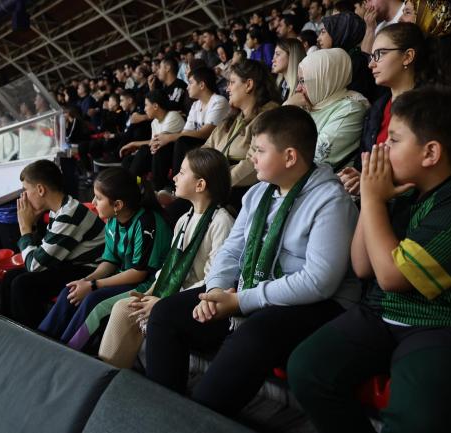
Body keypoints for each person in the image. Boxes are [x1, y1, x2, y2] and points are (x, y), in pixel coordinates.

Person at [287, 85, 451, 433]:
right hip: (383, 314)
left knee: (414, 420)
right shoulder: (402, 191)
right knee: (307, 368)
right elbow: (363, 266)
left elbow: (392, 276)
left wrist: (373, 199)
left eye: (393, 140)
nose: (381, 148)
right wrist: (374, 199)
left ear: (431, 153)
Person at [145, 105, 360, 416]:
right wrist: (215, 291)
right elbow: (231, 251)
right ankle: (160, 413)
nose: (251, 157)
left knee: (254, 334)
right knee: (166, 314)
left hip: (317, 304)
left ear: (289, 157)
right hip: (254, 288)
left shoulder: (331, 201)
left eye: (259, 150)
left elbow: (318, 282)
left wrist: (241, 301)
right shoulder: (257, 193)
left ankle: (197, 420)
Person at [89, 149, 235, 363]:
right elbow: (169, 266)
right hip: (175, 295)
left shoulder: (221, 222)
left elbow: (212, 282)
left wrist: (163, 302)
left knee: (130, 310)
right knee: (124, 306)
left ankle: (114, 372)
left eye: (182, 172)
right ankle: (110, 371)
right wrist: (149, 293)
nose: (174, 177)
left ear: (200, 185)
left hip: (198, 302)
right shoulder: (184, 219)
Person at [38, 167, 172, 346]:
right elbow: (110, 261)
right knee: (70, 291)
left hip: (147, 286)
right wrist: (86, 281)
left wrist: (94, 285)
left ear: (117, 205)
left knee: (94, 301)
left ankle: (66, 352)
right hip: (125, 278)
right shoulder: (112, 220)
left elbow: (139, 273)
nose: (93, 202)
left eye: (99, 198)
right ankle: (41, 343)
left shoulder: (147, 223)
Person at [338, 22, 451, 195]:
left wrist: (375, 185)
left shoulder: (433, 107)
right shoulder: (378, 108)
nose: (371, 64)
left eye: (379, 54)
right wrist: (361, 177)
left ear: (408, 56)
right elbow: (365, 161)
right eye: (371, 56)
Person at [0, 160, 104, 328]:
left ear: (40, 189)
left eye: (25, 190)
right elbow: (42, 255)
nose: (23, 197)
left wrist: (25, 228)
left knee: (23, 284)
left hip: (90, 270)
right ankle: (7, 329)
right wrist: (31, 226)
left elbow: (34, 265)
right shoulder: (61, 210)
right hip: (70, 265)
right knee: (10, 277)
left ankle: (33, 337)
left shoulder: (69, 215)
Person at [199, 60, 281, 212]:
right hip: (217, 182)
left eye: (232, 82)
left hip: (240, 191)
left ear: (248, 85)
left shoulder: (269, 116)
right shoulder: (234, 117)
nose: (227, 88)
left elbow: (253, 163)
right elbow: (206, 148)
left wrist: (216, 185)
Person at [286, 48, 369, 171]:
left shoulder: (350, 109)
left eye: (303, 81)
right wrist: (287, 107)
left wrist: (287, 110)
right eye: (299, 81)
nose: (298, 89)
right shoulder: (309, 104)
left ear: (325, 79)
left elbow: (315, 158)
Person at [150, 67, 229, 193]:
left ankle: (175, 188)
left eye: (191, 83)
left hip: (212, 146)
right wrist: (164, 140)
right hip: (198, 143)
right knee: (164, 145)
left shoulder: (218, 101)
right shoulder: (195, 105)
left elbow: (206, 133)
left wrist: (170, 137)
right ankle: (158, 189)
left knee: (182, 141)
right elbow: (186, 132)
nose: (187, 87)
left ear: (202, 85)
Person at [120, 90, 185, 191]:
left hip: (172, 156)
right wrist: (134, 144)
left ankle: (139, 188)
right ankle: (137, 184)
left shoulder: (172, 116)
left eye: (146, 105)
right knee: (128, 161)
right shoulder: (154, 123)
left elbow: (158, 142)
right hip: (158, 154)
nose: (144, 109)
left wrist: (136, 144)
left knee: (146, 150)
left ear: (155, 106)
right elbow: (153, 142)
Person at [319, 12, 377, 101]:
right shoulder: (336, 59)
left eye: (323, 32)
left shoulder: (357, 62)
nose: (318, 38)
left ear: (339, 32)